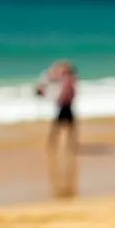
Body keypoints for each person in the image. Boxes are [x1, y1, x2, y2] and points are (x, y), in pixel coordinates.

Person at [36, 60, 78, 198]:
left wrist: (59, 99)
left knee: (61, 128)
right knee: (65, 128)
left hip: (64, 106)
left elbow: (65, 91)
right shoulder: (68, 79)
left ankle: (55, 144)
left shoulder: (67, 80)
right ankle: (60, 144)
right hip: (65, 106)